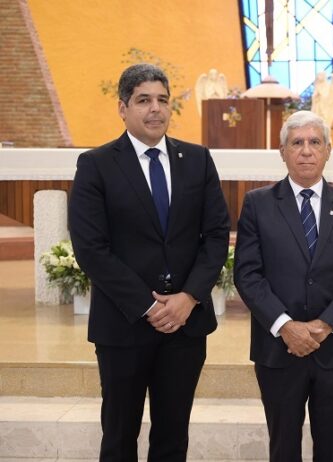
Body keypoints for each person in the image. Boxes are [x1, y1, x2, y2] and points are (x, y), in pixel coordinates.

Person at [68, 63, 231, 461]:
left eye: (162, 100)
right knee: (119, 438)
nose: (155, 109)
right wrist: (148, 306)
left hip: (186, 326)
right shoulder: (96, 164)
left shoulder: (197, 159)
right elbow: (91, 248)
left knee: (173, 440)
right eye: (144, 100)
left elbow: (216, 236)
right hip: (123, 325)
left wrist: (189, 297)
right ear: (122, 108)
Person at [233, 110, 333, 462]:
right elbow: (248, 274)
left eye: (315, 142)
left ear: (328, 150)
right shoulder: (258, 204)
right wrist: (286, 326)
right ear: (283, 152)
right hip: (278, 350)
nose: (307, 151)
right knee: (283, 448)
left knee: (332, 449)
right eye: (297, 143)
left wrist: (325, 325)